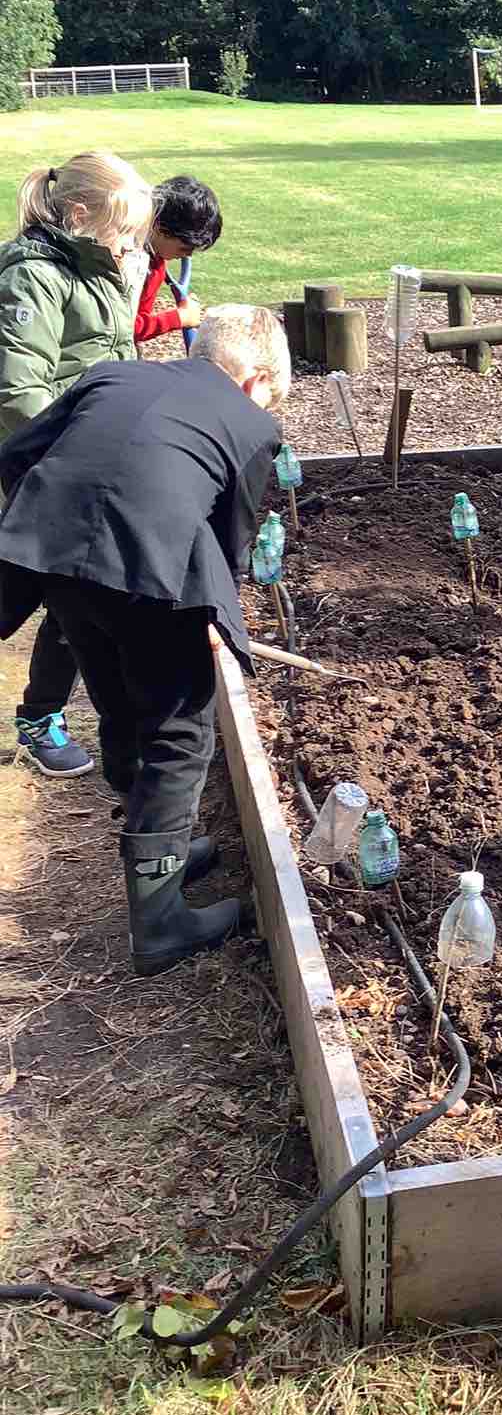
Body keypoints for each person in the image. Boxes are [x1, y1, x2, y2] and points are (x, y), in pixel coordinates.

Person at [0, 305, 289, 977]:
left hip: (52, 561)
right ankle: (158, 921)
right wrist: (213, 616)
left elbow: (16, 454)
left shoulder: (112, 375)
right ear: (253, 380)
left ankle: (153, 845)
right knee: (180, 730)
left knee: (121, 706)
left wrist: (50, 525)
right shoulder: (252, 426)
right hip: (140, 572)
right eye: (272, 394)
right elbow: (231, 541)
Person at [0, 152, 153, 777]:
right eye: (126, 232)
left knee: (77, 594)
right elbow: (17, 390)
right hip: (42, 466)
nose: (133, 245)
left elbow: (108, 359)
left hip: (85, 465)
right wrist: (74, 453)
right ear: (82, 214)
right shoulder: (33, 276)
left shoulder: (98, 267)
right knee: (24, 594)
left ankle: (40, 717)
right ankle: (41, 717)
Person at [135, 175, 223, 345]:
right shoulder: (126, 261)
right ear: (159, 228)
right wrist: (178, 318)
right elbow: (120, 329)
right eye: (184, 248)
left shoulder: (156, 261)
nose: (187, 255)